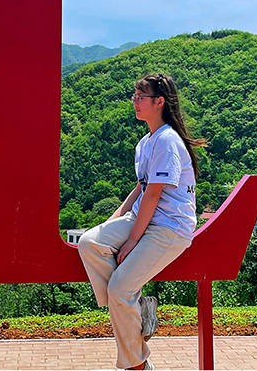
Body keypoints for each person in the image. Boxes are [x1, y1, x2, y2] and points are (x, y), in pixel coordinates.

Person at [78, 73, 206, 370]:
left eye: (140, 97)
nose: (134, 102)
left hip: (169, 227)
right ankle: (135, 307)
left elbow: (153, 195)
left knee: (119, 289)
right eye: (134, 96)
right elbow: (140, 189)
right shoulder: (145, 142)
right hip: (143, 218)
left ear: (159, 102)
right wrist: (110, 223)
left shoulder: (167, 140)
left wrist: (132, 240)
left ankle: (137, 364)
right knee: (89, 242)